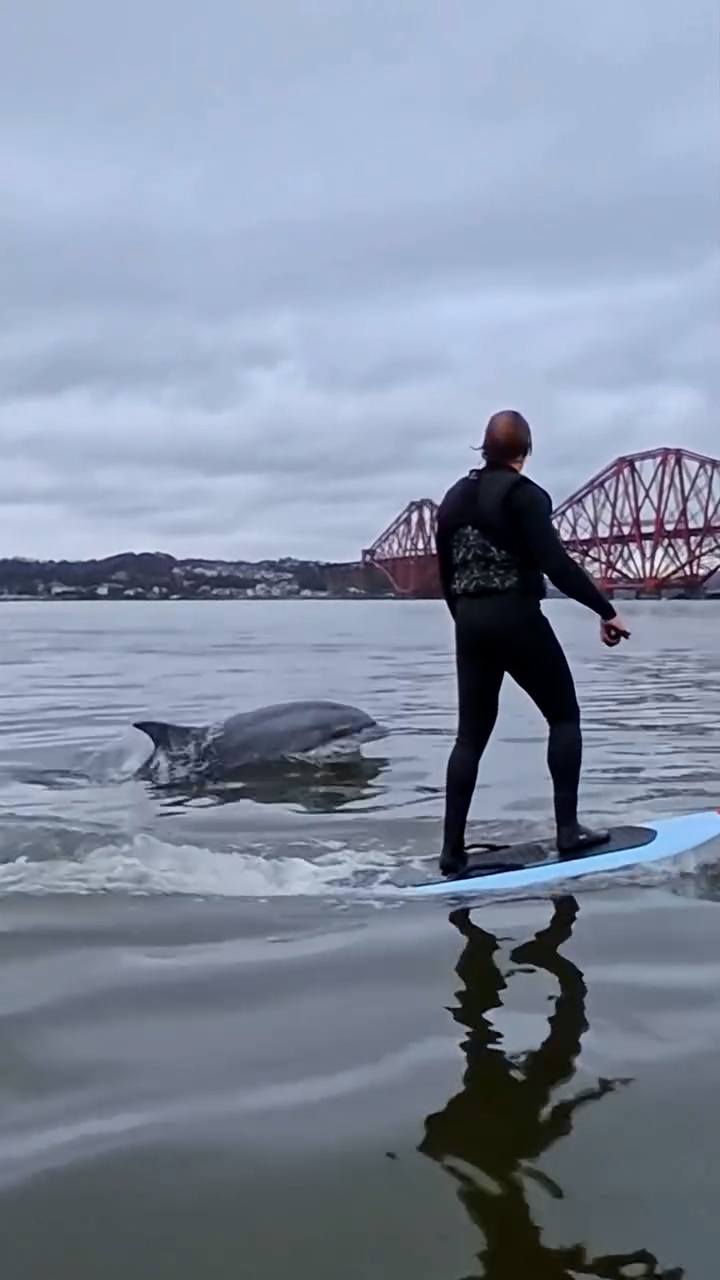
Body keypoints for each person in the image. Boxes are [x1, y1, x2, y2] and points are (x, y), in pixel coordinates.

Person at [436, 409, 630, 877]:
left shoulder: (452, 499)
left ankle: (451, 853)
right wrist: (606, 610)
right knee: (564, 716)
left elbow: (446, 574)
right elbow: (556, 565)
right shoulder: (527, 496)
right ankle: (568, 831)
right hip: (517, 617)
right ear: (525, 451)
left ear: (484, 449)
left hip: (469, 621)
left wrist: (465, 618)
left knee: (470, 737)